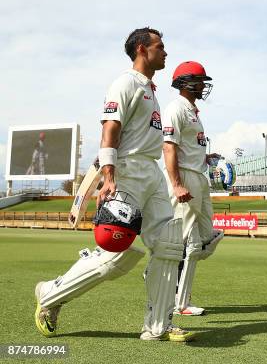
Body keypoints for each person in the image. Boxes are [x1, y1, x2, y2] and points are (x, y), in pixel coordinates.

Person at [34, 28, 195, 342]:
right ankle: (50, 295)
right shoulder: (125, 83)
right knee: (116, 253)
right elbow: (110, 130)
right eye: (160, 47)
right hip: (127, 172)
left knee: (169, 243)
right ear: (141, 49)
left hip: (151, 173)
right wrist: (108, 177)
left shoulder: (151, 91)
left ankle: (158, 327)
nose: (165, 53)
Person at [162, 61, 224, 316]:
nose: (203, 86)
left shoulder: (193, 111)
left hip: (198, 176)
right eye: (200, 81)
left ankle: (163, 276)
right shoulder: (175, 109)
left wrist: (206, 159)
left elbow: (188, 148)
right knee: (189, 242)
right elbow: (169, 148)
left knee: (208, 236)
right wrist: (176, 184)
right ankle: (178, 302)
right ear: (186, 82)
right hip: (184, 179)